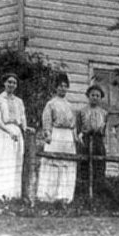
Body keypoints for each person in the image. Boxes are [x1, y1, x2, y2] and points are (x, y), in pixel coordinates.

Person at [0, 73, 35, 200]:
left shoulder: (19, 101)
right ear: (4, 83)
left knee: (15, 162)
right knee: (3, 162)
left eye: (14, 83)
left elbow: (22, 117)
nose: (11, 85)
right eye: (9, 82)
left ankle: (13, 195)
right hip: (3, 133)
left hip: (17, 133)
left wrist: (25, 128)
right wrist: (9, 131)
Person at [36, 73, 77, 202]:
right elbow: (46, 121)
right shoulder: (51, 104)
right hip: (56, 135)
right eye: (60, 86)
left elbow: (74, 125)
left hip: (68, 138)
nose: (63, 88)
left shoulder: (70, 105)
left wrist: (74, 137)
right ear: (56, 88)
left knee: (67, 165)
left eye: (65, 86)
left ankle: (64, 196)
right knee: (53, 164)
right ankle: (49, 197)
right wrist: (47, 134)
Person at [76, 85, 108, 194]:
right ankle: (84, 193)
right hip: (85, 140)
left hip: (98, 141)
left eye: (97, 96)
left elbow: (105, 130)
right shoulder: (82, 112)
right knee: (84, 166)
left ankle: (98, 193)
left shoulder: (104, 113)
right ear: (88, 96)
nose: (95, 97)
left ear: (100, 98)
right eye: (92, 95)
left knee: (98, 166)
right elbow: (78, 129)